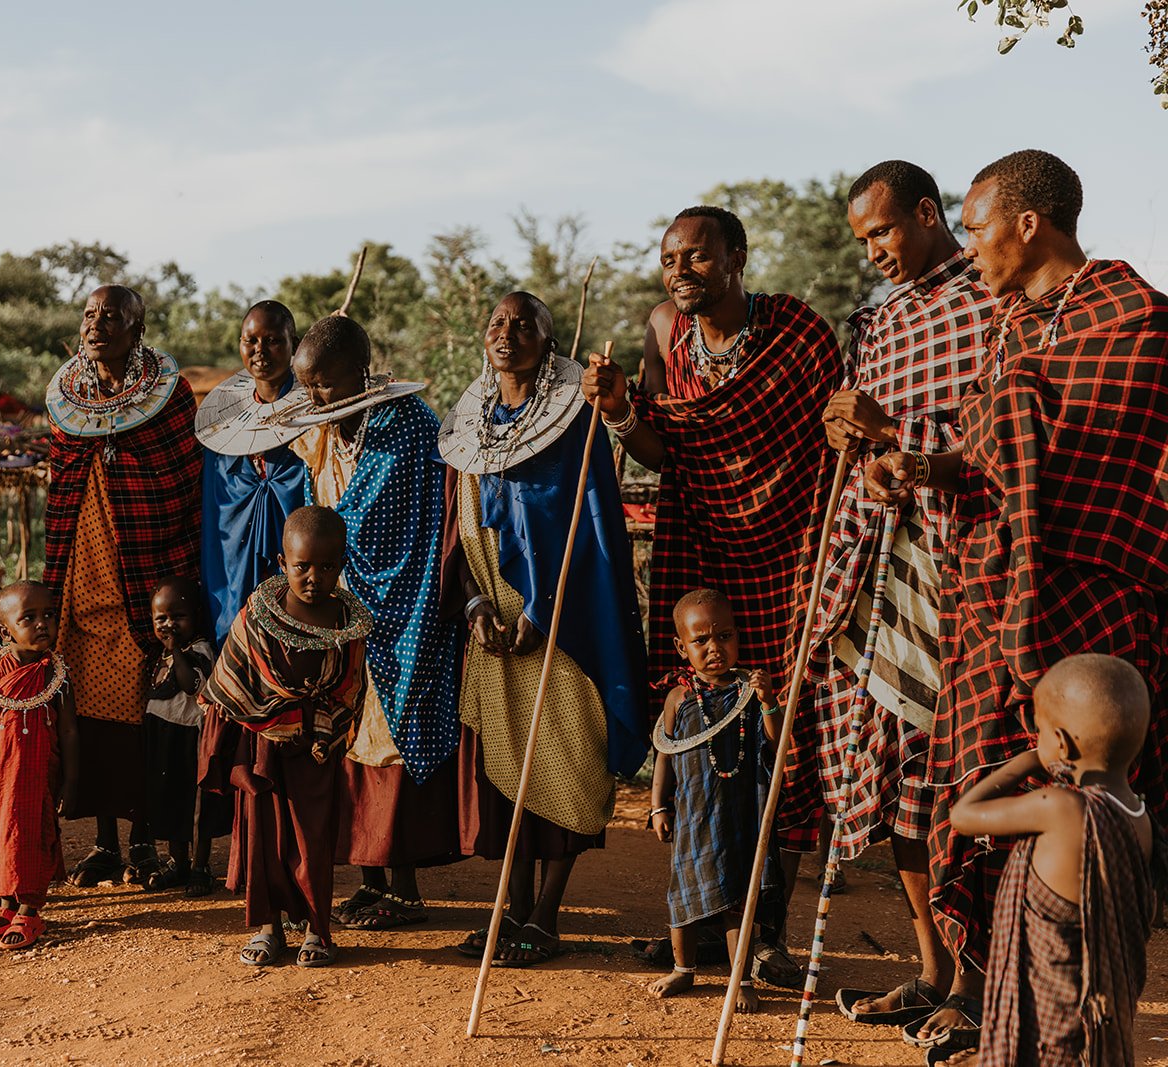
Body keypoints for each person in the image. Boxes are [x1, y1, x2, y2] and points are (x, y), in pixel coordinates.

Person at [865, 149, 1168, 1054]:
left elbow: (1124, 470)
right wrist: (912, 463)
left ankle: (1080, 1006)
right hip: (994, 598)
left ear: (1028, 223)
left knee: (1093, 801)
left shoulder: (1137, 322)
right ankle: (996, 994)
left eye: (975, 222)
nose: (970, 241)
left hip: (1097, 595)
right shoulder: (1006, 330)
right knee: (996, 788)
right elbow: (989, 460)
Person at [583, 205, 842, 984]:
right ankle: (701, 917)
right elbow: (665, 451)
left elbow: (830, 439)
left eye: (696, 258)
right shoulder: (665, 331)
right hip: (702, 546)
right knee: (703, 738)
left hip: (789, 552)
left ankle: (768, 931)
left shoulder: (798, 331)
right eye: (669, 260)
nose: (680, 272)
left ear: (738, 257)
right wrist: (621, 410)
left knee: (783, 740)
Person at [769, 161, 998, 1028]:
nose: (874, 252)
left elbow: (998, 436)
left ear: (931, 215)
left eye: (885, 232)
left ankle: (980, 985)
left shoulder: (991, 302)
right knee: (904, 768)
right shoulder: (874, 324)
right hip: (878, 564)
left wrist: (895, 432)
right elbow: (858, 437)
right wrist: (846, 430)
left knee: (964, 771)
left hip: (961, 565)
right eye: (863, 240)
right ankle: (935, 971)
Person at [440, 292, 646, 965]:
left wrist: (540, 607)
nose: (508, 332)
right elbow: (457, 527)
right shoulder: (467, 425)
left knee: (565, 759)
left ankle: (546, 916)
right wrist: (475, 607)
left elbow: (588, 531)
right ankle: (510, 908)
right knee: (506, 772)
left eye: (524, 323)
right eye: (497, 321)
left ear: (549, 343)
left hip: (561, 624)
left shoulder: (573, 423)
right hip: (492, 628)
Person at [285, 315, 463, 932]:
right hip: (345, 603)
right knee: (348, 734)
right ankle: (368, 878)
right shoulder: (333, 425)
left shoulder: (406, 424)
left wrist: (323, 547)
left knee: (392, 732)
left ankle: (405, 886)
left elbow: (362, 521)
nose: (312, 398)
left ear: (359, 373)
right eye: (306, 386)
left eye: (323, 386)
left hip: (403, 604)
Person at [44, 285, 201, 887]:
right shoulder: (66, 398)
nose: (97, 323)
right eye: (89, 314)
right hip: (82, 576)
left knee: (146, 712)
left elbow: (182, 482)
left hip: (148, 576)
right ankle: (106, 840)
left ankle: (145, 841)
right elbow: (61, 479)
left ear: (138, 328)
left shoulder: (170, 394)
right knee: (87, 709)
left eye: (113, 315)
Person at [946, 654, 1164, 1067]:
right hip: (1093, 1021)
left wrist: (1028, 759)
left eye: (1040, 730)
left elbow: (964, 815)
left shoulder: (1060, 808)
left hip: (1045, 1030)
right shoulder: (1140, 817)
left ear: (1061, 743)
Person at [201, 506, 371, 968]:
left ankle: (318, 930)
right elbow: (230, 680)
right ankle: (268, 926)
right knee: (264, 839)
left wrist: (325, 729)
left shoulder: (347, 624)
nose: (313, 577)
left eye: (326, 566)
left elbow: (350, 687)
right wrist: (267, 721)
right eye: (301, 566)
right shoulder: (257, 617)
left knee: (313, 839)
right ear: (282, 562)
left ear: (342, 565)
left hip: (317, 749)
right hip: (263, 745)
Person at [647, 589, 780, 1014]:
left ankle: (739, 977)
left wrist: (769, 702)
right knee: (683, 893)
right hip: (692, 812)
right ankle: (683, 969)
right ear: (681, 647)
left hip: (740, 811)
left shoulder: (749, 693)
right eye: (700, 640)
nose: (714, 648)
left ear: (738, 637)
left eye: (724, 636)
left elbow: (776, 747)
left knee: (736, 899)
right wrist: (658, 806)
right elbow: (664, 753)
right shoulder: (679, 698)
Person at [0, 581, 79, 951]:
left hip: (37, 774)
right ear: (5, 631)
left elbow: (70, 733)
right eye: (29, 618)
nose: (43, 624)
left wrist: (72, 782)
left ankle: (30, 908)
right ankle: (6, 905)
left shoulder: (57, 676)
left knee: (30, 833)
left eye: (48, 616)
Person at [198, 300, 310, 644]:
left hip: (299, 560)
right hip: (233, 557)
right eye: (251, 341)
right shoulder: (222, 420)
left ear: (293, 344)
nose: (261, 351)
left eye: (274, 340)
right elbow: (216, 503)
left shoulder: (315, 411)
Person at [140, 575, 224, 895]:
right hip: (163, 737)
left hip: (190, 739)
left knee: (195, 808)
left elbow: (192, 685)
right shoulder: (159, 654)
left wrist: (176, 652)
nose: (168, 624)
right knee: (170, 802)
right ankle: (178, 862)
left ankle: (201, 867)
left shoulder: (199, 650)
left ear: (197, 618)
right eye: (161, 617)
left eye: (178, 616)